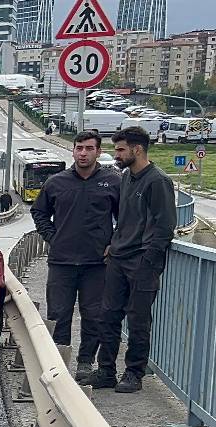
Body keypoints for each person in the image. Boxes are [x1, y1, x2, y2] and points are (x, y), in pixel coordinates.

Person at [91, 126, 176, 393]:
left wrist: (149, 261)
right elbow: (125, 218)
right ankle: (106, 371)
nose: (115, 155)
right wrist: (113, 245)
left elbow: (165, 227)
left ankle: (134, 373)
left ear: (136, 149)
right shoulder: (126, 176)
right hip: (118, 257)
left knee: (139, 320)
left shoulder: (158, 181)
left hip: (142, 262)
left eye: (120, 149)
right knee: (108, 316)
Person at [30, 130, 120, 384]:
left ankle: (84, 363)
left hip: (97, 264)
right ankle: (59, 364)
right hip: (62, 262)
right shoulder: (56, 182)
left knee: (94, 316)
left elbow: (125, 217)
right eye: (79, 148)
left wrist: (113, 243)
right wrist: (52, 237)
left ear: (98, 152)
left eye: (89, 148)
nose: (83, 153)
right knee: (59, 314)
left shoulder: (113, 182)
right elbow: (39, 213)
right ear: (73, 151)